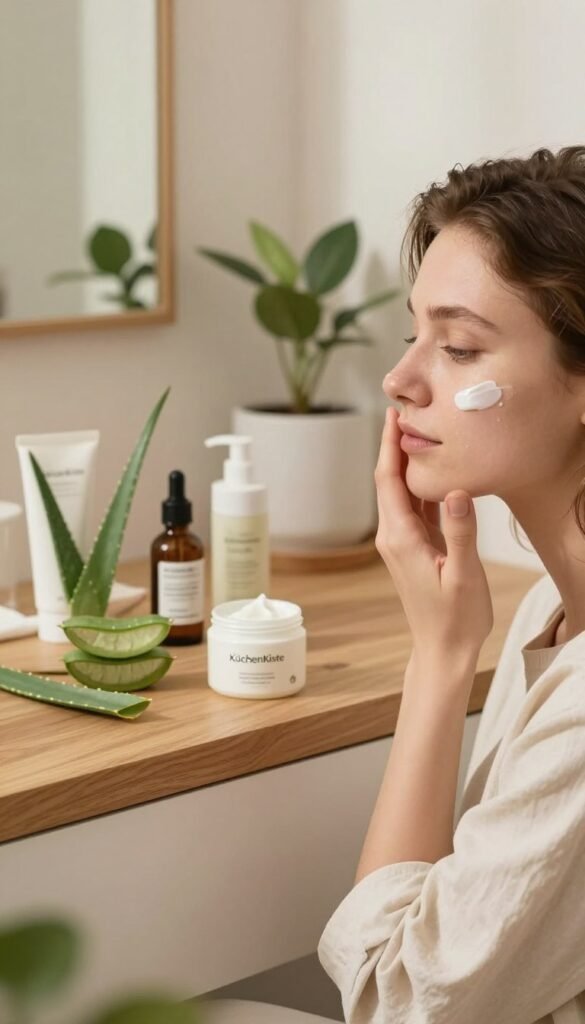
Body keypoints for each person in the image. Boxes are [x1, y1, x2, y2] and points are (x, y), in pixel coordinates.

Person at [316, 146, 585, 1023]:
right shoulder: (552, 609)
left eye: (459, 346)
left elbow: (395, 1003)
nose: (399, 382)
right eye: (413, 334)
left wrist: (437, 660)